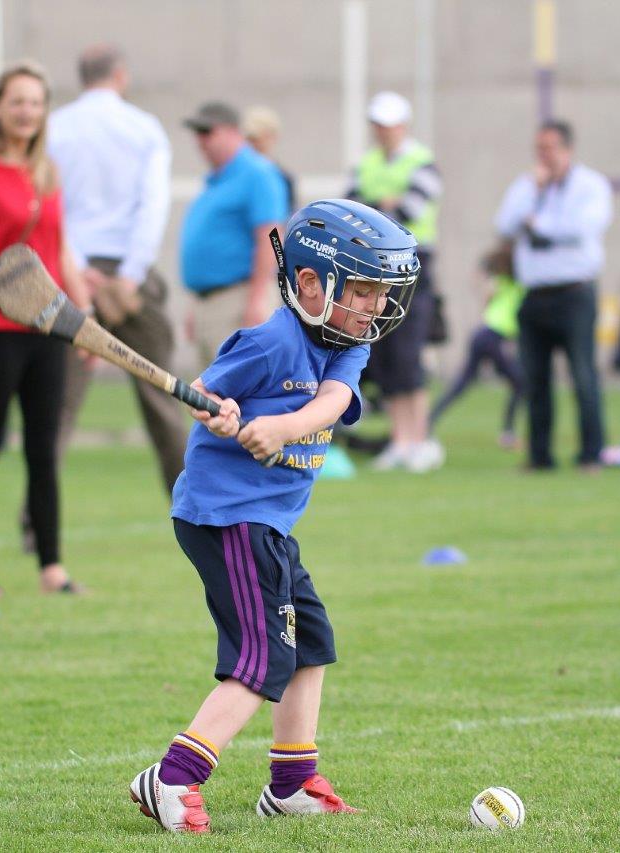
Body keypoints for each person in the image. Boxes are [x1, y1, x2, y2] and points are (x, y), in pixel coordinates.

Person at [127, 200, 419, 833]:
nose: (374, 306)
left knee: (311, 644)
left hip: (270, 524)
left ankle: (291, 783)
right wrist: (222, 415)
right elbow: (208, 395)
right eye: (364, 291)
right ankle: (172, 778)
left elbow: (334, 400)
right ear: (312, 285)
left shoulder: (346, 343)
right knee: (262, 661)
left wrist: (282, 425)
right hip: (227, 518)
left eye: (381, 293)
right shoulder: (268, 342)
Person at [0, 62, 90, 597]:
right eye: (17, 101)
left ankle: (52, 567)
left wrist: (83, 314)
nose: (26, 111)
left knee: (42, 450)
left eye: (35, 102)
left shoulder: (47, 171)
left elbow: (61, 252)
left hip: (47, 329)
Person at [45, 44, 189, 496]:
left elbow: (50, 205)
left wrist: (78, 270)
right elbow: (153, 204)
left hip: (72, 275)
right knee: (162, 396)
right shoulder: (143, 128)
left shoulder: (55, 128)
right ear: (120, 76)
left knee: (59, 405)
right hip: (131, 276)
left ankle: (37, 519)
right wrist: (129, 275)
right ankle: (194, 507)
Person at [496, 119, 613, 472]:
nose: (543, 155)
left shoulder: (590, 186)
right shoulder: (527, 186)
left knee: (582, 376)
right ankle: (540, 455)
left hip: (574, 294)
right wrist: (534, 192)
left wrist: (537, 224)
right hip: (534, 295)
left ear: (567, 150)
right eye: (539, 148)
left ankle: (592, 454)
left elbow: (581, 228)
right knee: (535, 379)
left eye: (549, 148)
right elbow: (504, 223)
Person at [346, 91, 444, 473]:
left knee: (409, 355)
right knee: (385, 356)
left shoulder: (422, 163)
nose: (382, 132)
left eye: (388, 125)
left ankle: (419, 439)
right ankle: (400, 441)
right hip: (376, 268)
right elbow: (353, 204)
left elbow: (409, 209)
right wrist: (382, 204)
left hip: (413, 267)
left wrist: (380, 206)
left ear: (402, 126)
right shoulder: (367, 163)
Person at [180, 101, 288, 366]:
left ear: (232, 132)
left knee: (240, 395)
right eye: (197, 133)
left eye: (207, 132)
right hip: (212, 301)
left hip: (239, 299)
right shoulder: (217, 179)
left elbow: (271, 237)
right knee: (211, 398)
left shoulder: (257, 172)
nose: (200, 141)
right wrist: (197, 304)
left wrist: (257, 300)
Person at [428, 245, 524, 448]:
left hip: (482, 334)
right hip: (493, 337)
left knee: (462, 384)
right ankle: (508, 433)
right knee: (520, 384)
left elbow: (487, 295)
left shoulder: (503, 283)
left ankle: (428, 421)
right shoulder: (519, 285)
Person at [243, 106, 296, 213]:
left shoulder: (284, 178)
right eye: (249, 139)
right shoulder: (235, 175)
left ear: (273, 137)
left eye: (256, 139)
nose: (252, 144)